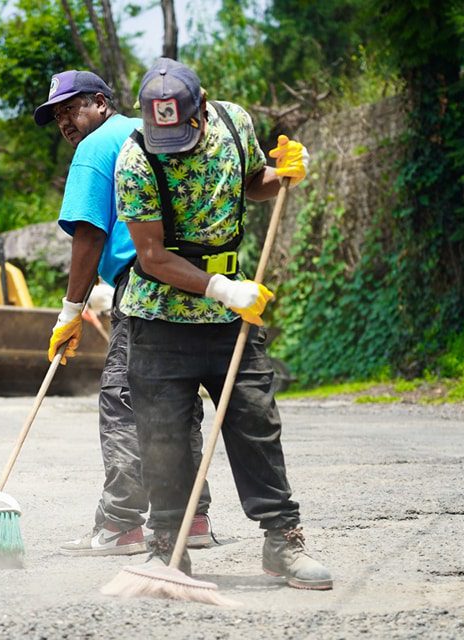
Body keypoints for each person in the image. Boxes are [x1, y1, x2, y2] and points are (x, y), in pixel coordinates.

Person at [114, 58, 333, 589]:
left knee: (256, 424)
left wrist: (280, 176)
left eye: (182, 134)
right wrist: (221, 288)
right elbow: (151, 256)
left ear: (202, 109)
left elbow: (252, 181)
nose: (173, 146)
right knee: (163, 436)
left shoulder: (235, 123)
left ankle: (281, 541)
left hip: (232, 318)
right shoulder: (136, 158)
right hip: (160, 317)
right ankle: (166, 546)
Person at [33, 70, 214, 556]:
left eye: (72, 108)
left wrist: (70, 312)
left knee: (124, 399)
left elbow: (89, 235)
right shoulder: (154, 131)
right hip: (190, 278)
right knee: (175, 400)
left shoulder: (96, 147)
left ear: (100, 102)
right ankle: (192, 518)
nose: (65, 122)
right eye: (57, 116)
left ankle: (121, 525)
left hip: (143, 284)